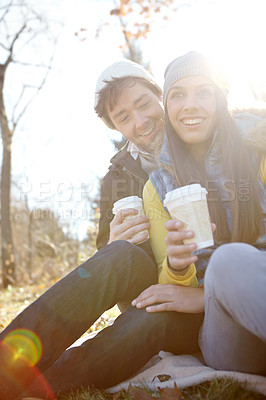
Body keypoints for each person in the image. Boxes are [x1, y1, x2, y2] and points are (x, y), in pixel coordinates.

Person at [133, 51, 266, 375]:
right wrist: (178, 266)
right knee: (226, 262)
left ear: (220, 100)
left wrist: (203, 296)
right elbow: (172, 289)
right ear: (167, 106)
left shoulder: (257, 151)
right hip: (226, 338)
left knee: (232, 260)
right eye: (178, 94)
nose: (190, 105)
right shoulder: (157, 187)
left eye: (203, 92)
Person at [94, 60, 164, 250]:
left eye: (144, 104)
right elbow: (104, 252)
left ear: (159, 95)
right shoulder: (115, 180)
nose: (140, 122)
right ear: (116, 127)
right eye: (124, 118)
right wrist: (112, 246)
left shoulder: (199, 139)